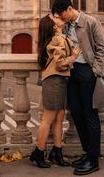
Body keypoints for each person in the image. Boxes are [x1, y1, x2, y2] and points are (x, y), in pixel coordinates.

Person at [51, 0, 104, 175]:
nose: (60, 18)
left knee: (90, 114)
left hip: (87, 73)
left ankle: (94, 159)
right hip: (72, 72)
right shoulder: (66, 26)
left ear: (69, 9)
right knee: (75, 112)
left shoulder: (91, 22)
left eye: (61, 14)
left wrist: (95, 71)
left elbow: (102, 49)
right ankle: (87, 152)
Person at [29, 14, 81, 168]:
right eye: (55, 17)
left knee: (59, 117)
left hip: (59, 81)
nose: (58, 17)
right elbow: (59, 64)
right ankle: (38, 153)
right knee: (48, 120)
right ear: (54, 26)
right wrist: (74, 56)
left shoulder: (58, 37)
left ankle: (57, 151)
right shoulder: (57, 39)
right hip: (54, 81)